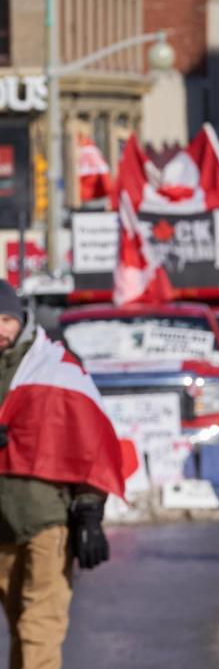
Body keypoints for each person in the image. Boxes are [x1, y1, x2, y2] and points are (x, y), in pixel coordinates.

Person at [0, 281, 125, 668]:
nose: (0, 330)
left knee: (39, 628)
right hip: (1, 528)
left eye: (5, 319)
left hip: (47, 522)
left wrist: (89, 513)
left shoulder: (54, 368)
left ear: (21, 319)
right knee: (20, 628)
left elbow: (88, 442)